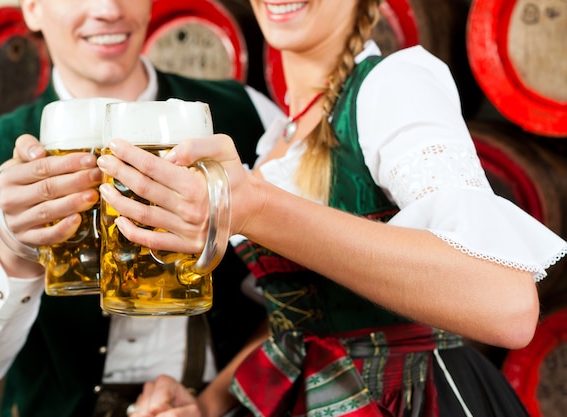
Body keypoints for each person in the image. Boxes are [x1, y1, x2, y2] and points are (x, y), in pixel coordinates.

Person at [94, 0, 567, 416]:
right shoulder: (276, 139)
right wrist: (210, 402)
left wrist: (257, 209)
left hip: (412, 398)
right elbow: (304, 324)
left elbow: (506, 306)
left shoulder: (393, 86)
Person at [0, 0, 283, 416]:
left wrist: (214, 405)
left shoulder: (249, 113)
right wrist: (12, 249)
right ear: (32, 8)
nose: (107, 9)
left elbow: (297, 308)